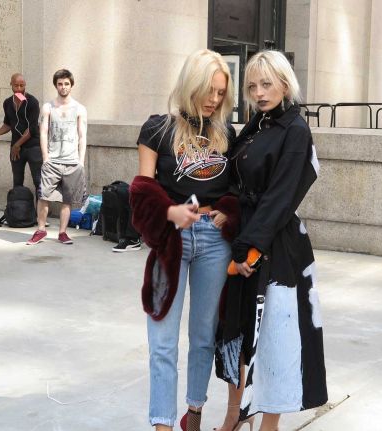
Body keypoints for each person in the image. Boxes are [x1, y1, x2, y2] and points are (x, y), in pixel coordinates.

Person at [214, 51, 327, 431]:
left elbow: (282, 197)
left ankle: (269, 425)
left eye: (266, 84)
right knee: (235, 331)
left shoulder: (295, 129)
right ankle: (234, 415)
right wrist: (227, 214)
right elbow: (235, 179)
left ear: (284, 83)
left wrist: (249, 247)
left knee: (274, 338)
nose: (259, 93)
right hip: (246, 236)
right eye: (252, 87)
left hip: (274, 246)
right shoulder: (258, 124)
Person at [129, 49, 240, 431]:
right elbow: (141, 191)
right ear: (191, 84)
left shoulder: (226, 134)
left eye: (221, 93)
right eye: (209, 90)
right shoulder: (157, 129)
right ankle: (162, 425)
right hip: (172, 241)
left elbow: (238, 191)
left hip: (214, 241)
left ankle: (193, 417)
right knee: (162, 341)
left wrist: (227, 210)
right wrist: (169, 211)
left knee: (204, 336)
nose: (214, 99)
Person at [26, 69, 86, 245]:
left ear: (71, 85)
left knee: (67, 200)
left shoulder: (80, 109)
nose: (63, 87)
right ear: (56, 85)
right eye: (60, 84)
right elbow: (43, 133)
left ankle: (62, 232)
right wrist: (46, 158)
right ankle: (41, 230)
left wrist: (81, 161)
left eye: (66, 83)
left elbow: (82, 136)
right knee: (43, 196)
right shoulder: (48, 107)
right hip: (52, 160)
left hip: (72, 161)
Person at [0, 73, 43, 196]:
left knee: (38, 181)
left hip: (33, 146)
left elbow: (32, 128)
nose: (19, 88)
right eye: (16, 85)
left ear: (25, 85)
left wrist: (17, 145)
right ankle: (18, 206)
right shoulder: (7, 103)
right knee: (17, 180)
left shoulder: (32, 102)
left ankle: (40, 207)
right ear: (11, 84)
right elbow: (8, 124)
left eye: (22, 85)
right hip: (16, 148)